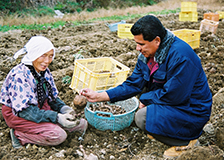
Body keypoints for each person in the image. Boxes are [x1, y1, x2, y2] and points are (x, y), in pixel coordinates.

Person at [80, 15, 212, 158]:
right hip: (174, 100)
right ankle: (164, 130)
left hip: (191, 110)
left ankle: (187, 141)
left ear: (157, 40)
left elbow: (174, 96)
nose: (137, 48)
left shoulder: (181, 56)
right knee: (143, 93)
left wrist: (146, 99)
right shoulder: (147, 55)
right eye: (136, 43)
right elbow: (133, 83)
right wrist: (99, 96)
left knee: (142, 118)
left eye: (141, 44)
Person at [0, 36, 88, 149]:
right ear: (33, 54)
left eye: (51, 56)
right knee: (58, 136)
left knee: (81, 124)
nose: (47, 61)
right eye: (43, 55)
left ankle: (49, 125)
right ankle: (19, 135)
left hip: (40, 107)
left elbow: (51, 97)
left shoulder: (44, 71)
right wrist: (57, 117)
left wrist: (64, 109)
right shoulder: (19, 76)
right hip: (19, 114)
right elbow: (25, 111)